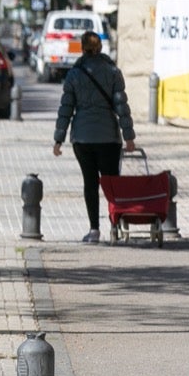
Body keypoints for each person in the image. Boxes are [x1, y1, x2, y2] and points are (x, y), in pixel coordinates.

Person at [52, 30, 136, 244]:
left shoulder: (74, 74)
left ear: (82, 47)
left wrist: (58, 139)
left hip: (83, 138)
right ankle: (115, 226)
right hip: (108, 136)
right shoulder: (113, 72)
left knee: (90, 183)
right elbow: (121, 106)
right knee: (111, 183)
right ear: (100, 48)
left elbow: (66, 109)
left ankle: (94, 230)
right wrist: (129, 137)